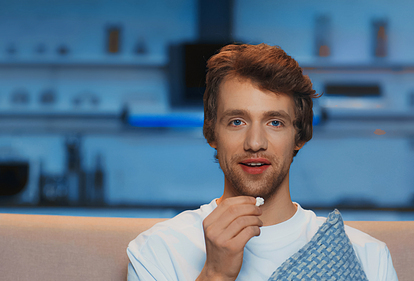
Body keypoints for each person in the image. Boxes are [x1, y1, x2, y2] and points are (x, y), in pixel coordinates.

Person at [127, 43, 398, 281]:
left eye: (275, 122)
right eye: (237, 121)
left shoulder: (366, 255)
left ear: (299, 136)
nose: (255, 142)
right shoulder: (157, 251)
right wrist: (215, 275)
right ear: (212, 134)